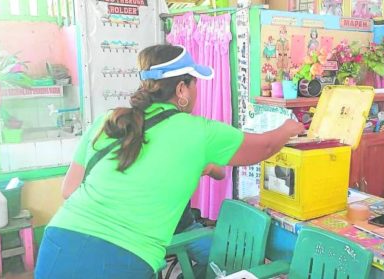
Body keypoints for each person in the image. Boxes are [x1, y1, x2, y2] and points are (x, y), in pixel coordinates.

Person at [34, 44, 305, 279]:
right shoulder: (199, 132)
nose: (197, 91)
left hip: (60, 241)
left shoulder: (109, 120)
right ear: (181, 89)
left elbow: (69, 190)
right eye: (194, 83)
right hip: (121, 259)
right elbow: (265, 145)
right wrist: (289, 128)